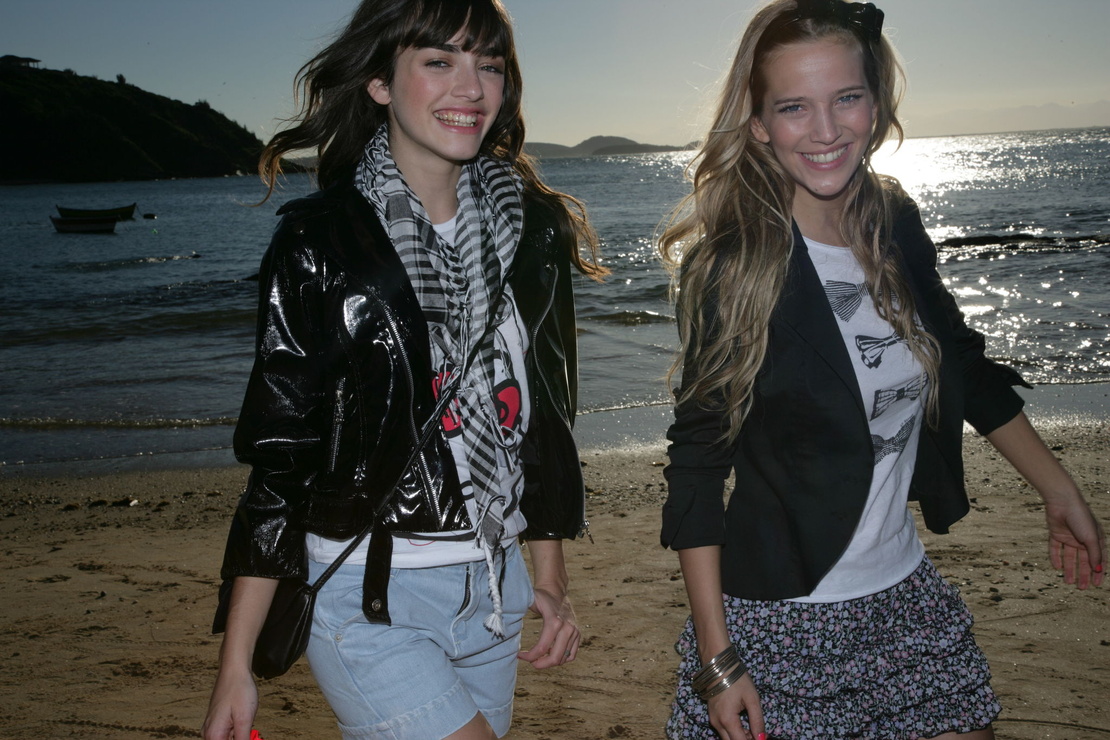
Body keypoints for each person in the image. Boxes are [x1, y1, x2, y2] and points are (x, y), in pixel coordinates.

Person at [657, 1, 1105, 738]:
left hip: (905, 595)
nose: (826, 130)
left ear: (876, 103)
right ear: (759, 123)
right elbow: (697, 465)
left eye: (847, 98)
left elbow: (962, 361)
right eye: (794, 107)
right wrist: (719, 660)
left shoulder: (891, 218)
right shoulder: (735, 265)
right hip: (782, 619)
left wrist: (1058, 489)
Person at [202, 1, 606, 739]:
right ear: (380, 82)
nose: (471, 87)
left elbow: (542, 416)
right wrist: (236, 662)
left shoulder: (534, 231)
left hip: (494, 591)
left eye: (489, 65)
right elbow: (281, 463)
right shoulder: (319, 244)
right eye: (439, 61)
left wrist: (549, 577)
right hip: (368, 595)